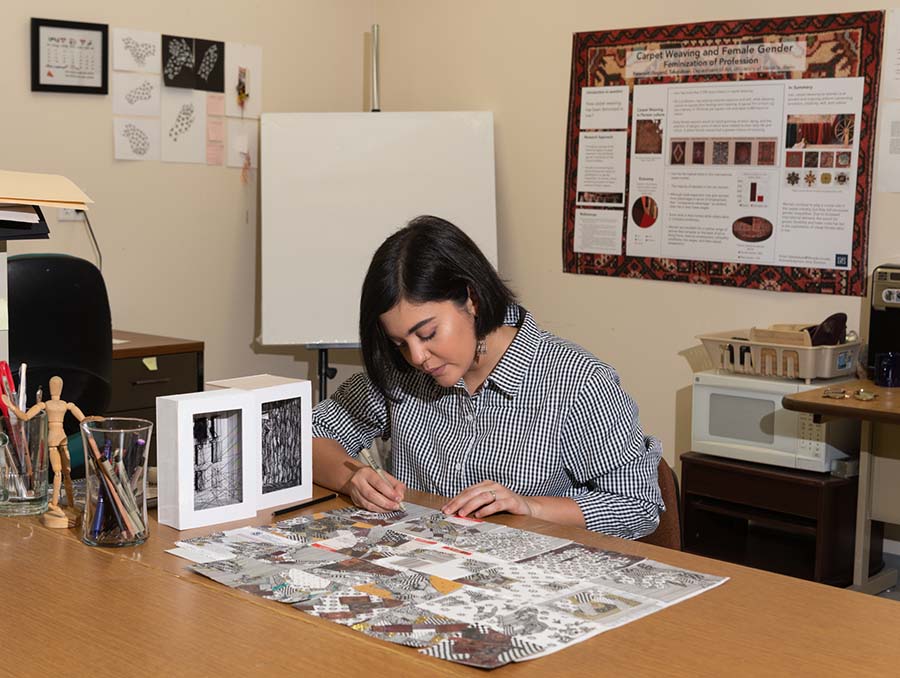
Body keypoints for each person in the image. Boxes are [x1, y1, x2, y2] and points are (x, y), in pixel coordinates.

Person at [312, 215, 663, 538]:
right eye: (400, 343)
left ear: (473, 298)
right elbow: (305, 435)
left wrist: (530, 507)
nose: (417, 357)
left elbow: (638, 506)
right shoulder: (401, 372)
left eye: (428, 333)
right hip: (420, 573)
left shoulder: (578, 382)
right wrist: (352, 478)